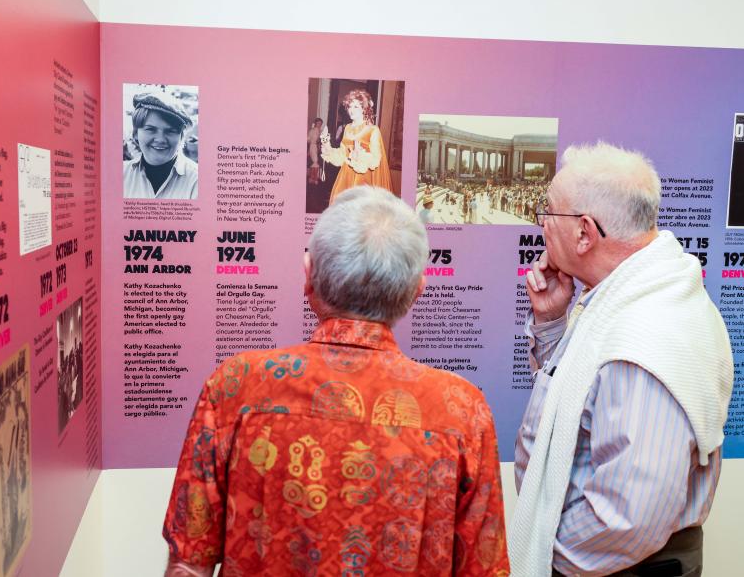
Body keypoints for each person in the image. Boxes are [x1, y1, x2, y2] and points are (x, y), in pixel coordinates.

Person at [163, 186, 509, 576]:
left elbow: (188, 563)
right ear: (416, 292)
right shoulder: (460, 410)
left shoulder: (235, 387)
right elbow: (483, 568)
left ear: (308, 277)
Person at [510, 142, 733, 576]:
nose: (540, 224)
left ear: (584, 232)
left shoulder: (647, 331)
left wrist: (546, 553)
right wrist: (554, 321)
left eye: (547, 212)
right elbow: (584, 402)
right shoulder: (632, 297)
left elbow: (627, 519)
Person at [320, 90, 393, 205]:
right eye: (349, 106)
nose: (351, 110)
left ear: (364, 108)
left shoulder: (373, 130)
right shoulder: (348, 128)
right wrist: (328, 148)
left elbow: (375, 160)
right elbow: (342, 154)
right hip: (346, 176)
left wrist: (360, 156)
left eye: (356, 106)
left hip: (364, 179)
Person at [123, 89, 197, 199]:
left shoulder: (196, 180)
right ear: (135, 134)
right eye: (151, 129)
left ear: (181, 137)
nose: (160, 139)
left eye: (170, 131)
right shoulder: (121, 174)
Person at [307, 117, 323, 185]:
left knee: (315, 163)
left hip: (316, 147)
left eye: (320, 123)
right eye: (318, 123)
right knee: (315, 162)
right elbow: (308, 139)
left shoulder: (320, 130)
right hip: (313, 146)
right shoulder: (313, 130)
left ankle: (312, 178)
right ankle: (314, 178)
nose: (319, 124)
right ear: (315, 123)